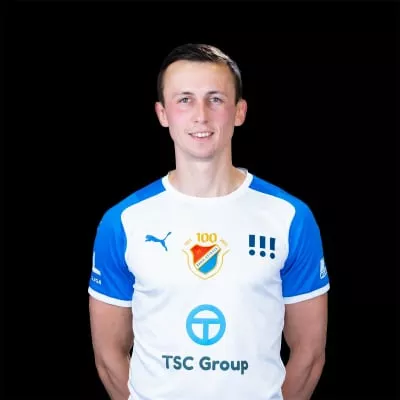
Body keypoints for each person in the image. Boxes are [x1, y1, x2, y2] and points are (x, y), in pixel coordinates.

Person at [88, 43, 330, 400]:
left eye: (215, 99)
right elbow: (109, 356)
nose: (201, 115)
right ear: (162, 113)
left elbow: (309, 354)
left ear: (239, 111)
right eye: (184, 100)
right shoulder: (123, 222)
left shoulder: (290, 218)